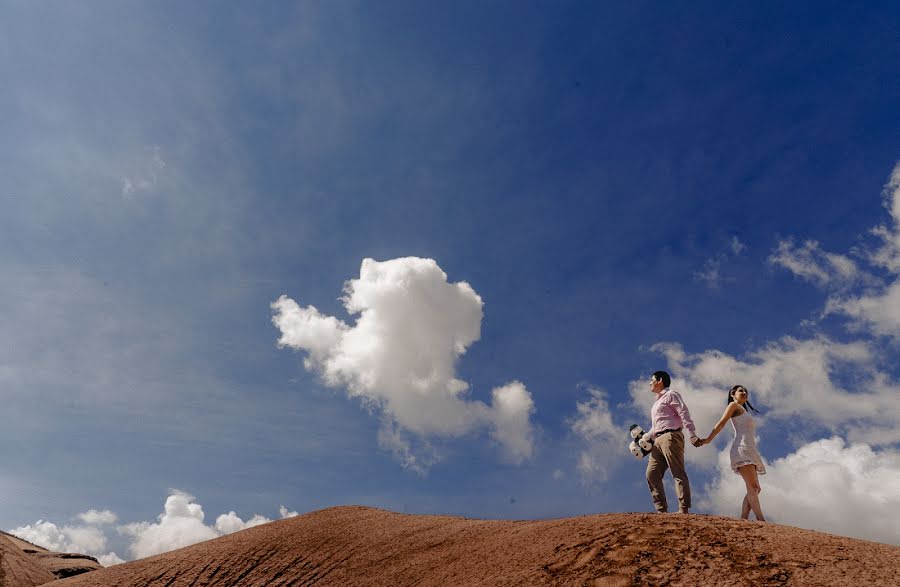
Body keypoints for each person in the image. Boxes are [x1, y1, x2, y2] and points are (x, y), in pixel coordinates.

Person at [699, 385, 766, 521]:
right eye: (741, 390)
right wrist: (708, 440)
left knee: (756, 488)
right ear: (732, 394)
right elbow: (722, 422)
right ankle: (761, 520)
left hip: (750, 449)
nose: (744, 392)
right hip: (741, 449)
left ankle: (743, 519)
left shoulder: (744, 411)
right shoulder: (733, 406)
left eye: (746, 391)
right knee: (753, 487)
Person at [645, 370, 701, 514]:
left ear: (660, 380)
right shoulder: (656, 402)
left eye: (652, 380)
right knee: (651, 473)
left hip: (671, 436)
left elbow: (683, 412)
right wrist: (646, 437)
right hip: (657, 440)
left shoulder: (671, 395)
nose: (650, 383)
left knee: (677, 472)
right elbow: (657, 425)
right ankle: (661, 510)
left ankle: (683, 509)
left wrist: (692, 434)